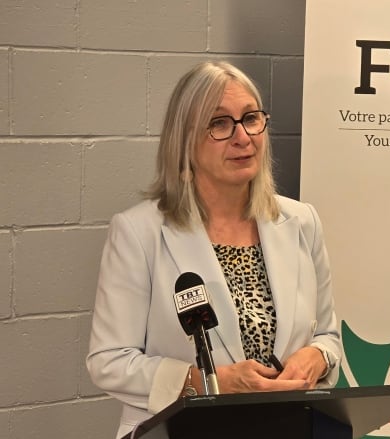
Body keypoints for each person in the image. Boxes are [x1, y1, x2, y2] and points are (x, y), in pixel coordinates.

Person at [86, 61, 341, 438]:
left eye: (251, 118)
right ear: (184, 140)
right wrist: (207, 382)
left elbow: (328, 337)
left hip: (286, 427)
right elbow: (108, 362)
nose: (243, 137)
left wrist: (316, 358)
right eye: (220, 124)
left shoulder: (302, 221)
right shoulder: (139, 232)